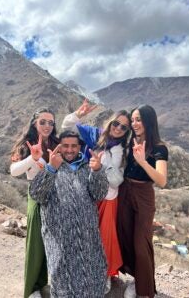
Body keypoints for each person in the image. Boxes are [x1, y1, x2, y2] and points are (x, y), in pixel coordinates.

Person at [29, 130, 109, 298]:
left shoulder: (87, 167)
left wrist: (97, 171)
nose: (70, 150)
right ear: (59, 146)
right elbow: (36, 194)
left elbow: (99, 193)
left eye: (74, 146)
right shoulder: (51, 166)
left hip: (88, 239)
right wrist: (51, 168)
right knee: (63, 283)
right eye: (65, 146)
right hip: (60, 241)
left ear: (80, 147)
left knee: (92, 280)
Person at [61, 100, 131, 294]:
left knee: (104, 238)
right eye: (116, 123)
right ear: (111, 121)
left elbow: (117, 180)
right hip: (88, 194)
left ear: (126, 131)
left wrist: (102, 166)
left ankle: (105, 274)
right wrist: (78, 113)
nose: (118, 128)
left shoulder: (121, 150)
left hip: (107, 198)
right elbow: (67, 126)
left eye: (124, 127)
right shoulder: (94, 135)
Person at [117, 104, 168, 298]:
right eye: (133, 120)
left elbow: (161, 180)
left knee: (141, 242)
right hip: (125, 190)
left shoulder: (159, 148)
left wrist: (143, 162)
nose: (134, 123)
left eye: (138, 119)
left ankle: (145, 290)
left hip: (144, 194)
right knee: (126, 235)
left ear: (148, 121)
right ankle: (135, 279)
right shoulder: (131, 140)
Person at [10, 107, 59, 298]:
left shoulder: (56, 143)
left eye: (51, 122)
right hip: (37, 197)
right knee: (36, 243)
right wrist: (33, 158)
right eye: (43, 122)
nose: (47, 126)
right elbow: (14, 171)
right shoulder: (27, 144)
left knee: (54, 242)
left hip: (56, 196)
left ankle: (47, 282)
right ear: (34, 123)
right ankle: (32, 289)